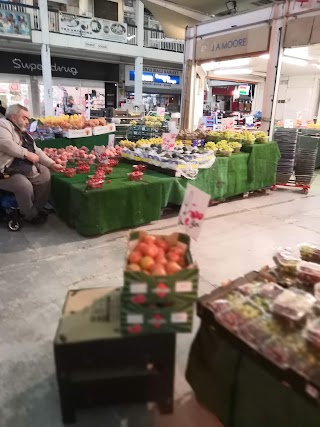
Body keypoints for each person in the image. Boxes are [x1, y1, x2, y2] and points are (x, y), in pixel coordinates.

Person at [0, 104, 64, 225]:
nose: (27, 121)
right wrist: (26, 154)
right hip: (5, 171)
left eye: (28, 118)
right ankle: (29, 215)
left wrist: (52, 164)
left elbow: (37, 151)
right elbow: (5, 143)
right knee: (23, 185)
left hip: (21, 167)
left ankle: (36, 209)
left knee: (45, 173)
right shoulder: (3, 125)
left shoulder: (23, 133)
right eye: (24, 118)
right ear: (13, 117)